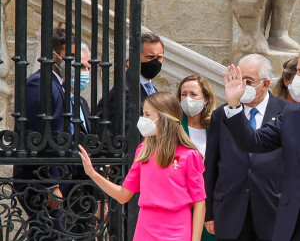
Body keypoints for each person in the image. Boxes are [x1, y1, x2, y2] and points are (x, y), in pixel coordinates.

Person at [80, 92, 206, 241]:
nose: (143, 119)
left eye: (147, 114)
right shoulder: (143, 150)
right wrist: (93, 174)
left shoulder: (189, 155)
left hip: (178, 230)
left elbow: (199, 202)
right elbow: (123, 195)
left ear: (164, 118)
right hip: (145, 229)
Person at [13, 29, 94, 239]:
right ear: (55, 55)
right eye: (71, 55)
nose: (75, 62)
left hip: (65, 182)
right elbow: (41, 136)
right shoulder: (40, 83)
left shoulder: (59, 85)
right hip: (44, 183)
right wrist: (52, 185)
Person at [204, 54, 291, 241]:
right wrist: (209, 213)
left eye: (248, 81)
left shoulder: (286, 112)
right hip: (230, 210)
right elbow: (211, 166)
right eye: (238, 80)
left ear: (266, 84)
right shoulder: (222, 115)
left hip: (272, 210)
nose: (241, 86)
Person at [97, 32, 164, 137]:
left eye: (159, 57)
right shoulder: (124, 92)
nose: (156, 62)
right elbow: (127, 137)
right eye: (150, 57)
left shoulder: (152, 90)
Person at [177, 74, 216, 241]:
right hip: (181, 203)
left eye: (193, 94)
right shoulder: (174, 127)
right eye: (183, 94)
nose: (188, 99)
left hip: (209, 203)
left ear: (205, 99)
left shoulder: (215, 127)